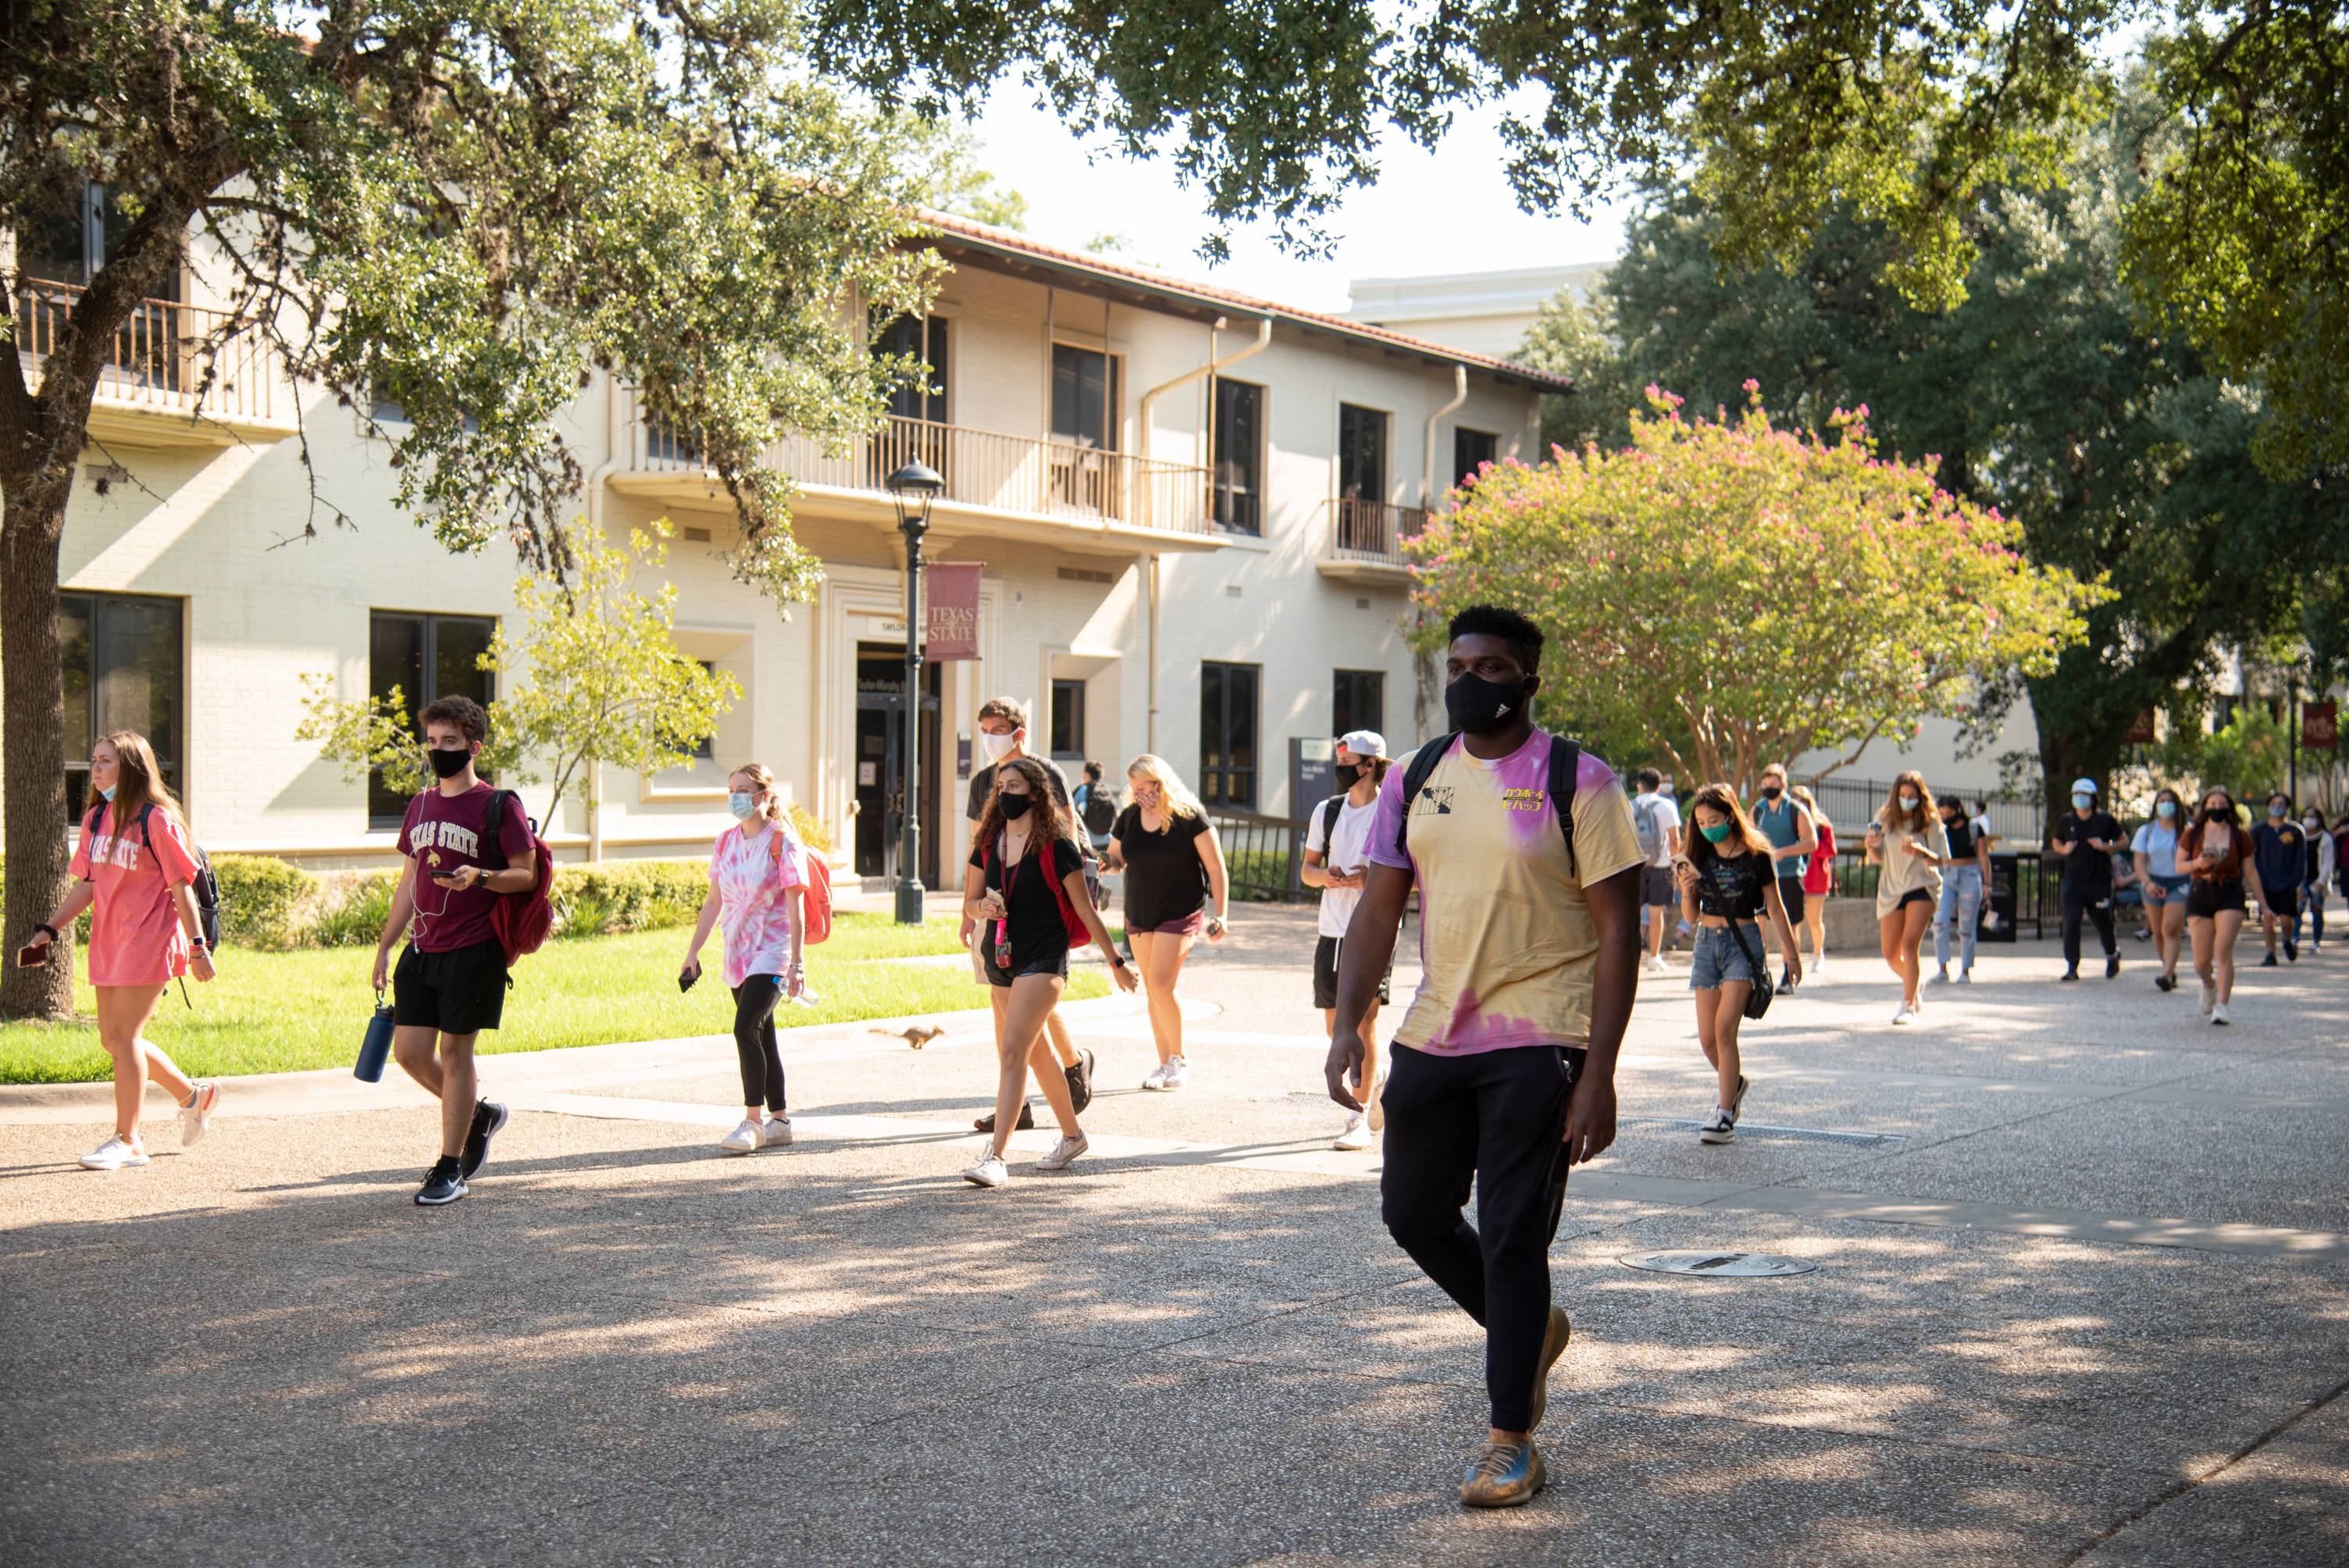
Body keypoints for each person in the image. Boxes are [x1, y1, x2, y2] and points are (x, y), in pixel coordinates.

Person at [1324, 604, 1642, 1509]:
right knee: (1412, 1214)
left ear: (1528, 679)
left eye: (1491, 666)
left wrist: (1600, 1072)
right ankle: (1528, 1327)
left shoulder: (1580, 779)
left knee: (1509, 1233)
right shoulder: (1418, 774)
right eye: (1459, 663)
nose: (1470, 679)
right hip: (1433, 1032)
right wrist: (1349, 1021)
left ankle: (1510, 1438)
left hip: (1539, 1037)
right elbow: (1378, 909)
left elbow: (1617, 932)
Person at [24, 732, 221, 1171]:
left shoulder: (157, 821)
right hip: (109, 941)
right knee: (113, 1039)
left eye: (105, 761)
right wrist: (49, 930)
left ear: (130, 766)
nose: (95, 769)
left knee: (126, 1037)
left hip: (150, 941)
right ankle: (195, 1096)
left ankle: (128, 1139)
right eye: (93, 760)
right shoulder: (96, 818)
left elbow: (181, 889)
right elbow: (88, 885)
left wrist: (197, 947)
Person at [370, 697, 533, 1206]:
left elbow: (524, 874)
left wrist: (480, 876)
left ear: (473, 747)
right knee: (410, 1053)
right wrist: (385, 945)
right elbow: (410, 879)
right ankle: (479, 1115)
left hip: (474, 948)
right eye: (434, 742)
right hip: (422, 948)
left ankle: (449, 1168)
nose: (439, 751)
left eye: (451, 743)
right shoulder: (420, 805)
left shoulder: (498, 805)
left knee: (455, 1051)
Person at [960, 758, 1137, 1186]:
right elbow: (967, 903)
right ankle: (1072, 1135)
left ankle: (996, 1158)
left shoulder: (1057, 847)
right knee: (1036, 1053)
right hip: (1001, 954)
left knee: (1012, 1050)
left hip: (1044, 956)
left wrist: (1116, 963)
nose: (1005, 793)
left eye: (1014, 785)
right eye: (1000, 786)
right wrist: (981, 908)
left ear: (1034, 793)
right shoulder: (988, 842)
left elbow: (1085, 910)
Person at [962, 697, 1094, 1131]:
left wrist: (1071, 880)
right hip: (995, 905)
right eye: (983, 728)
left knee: (1028, 998)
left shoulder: (1044, 772)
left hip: (1039, 905)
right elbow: (978, 842)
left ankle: (1071, 1066)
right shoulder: (983, 780)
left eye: (996, 728)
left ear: (1018, 731)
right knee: (1002, 1006)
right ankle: (1018, 1105)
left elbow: (1067, 826)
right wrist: (969, 909)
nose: (988, 737)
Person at [682, 764, 806, 1155]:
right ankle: (780, 1121)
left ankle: (753, 1122)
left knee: (745, 1028)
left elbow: (795, 906)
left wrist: (797, 963)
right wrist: (693, 952)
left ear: (765, 796)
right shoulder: (725, 842)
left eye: (744, 790)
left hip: (773, 953)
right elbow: (714, 901)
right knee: (762, 1034)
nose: (736, 796)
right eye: (731, 788)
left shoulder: (783, 842)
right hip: (737, 951)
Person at [1675, 784, 1800, 1145]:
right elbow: (1690, 916)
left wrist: (1791, 956)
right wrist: (1686, 888)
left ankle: (1724, 1114)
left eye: (1713, 819)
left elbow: (1775, 908)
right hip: (1706, 946)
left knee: (1724, 1029)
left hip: (1742, 944)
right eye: (1700, 821)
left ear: (1730, 816)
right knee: (1706, 1038)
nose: (1707, 826)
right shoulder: (1696, 855)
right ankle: (1735, 1084)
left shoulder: (1757, 855)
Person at [1104, 754, 1231, 1089]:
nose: (1138, 794)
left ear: (1160, 783)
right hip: (1139, 911)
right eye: (1134, 788)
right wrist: (1105, 863)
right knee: (1152, 990)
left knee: (1161, 985)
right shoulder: (1129, 817)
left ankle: (1179, 1058)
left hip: (1180, 910)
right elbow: (1117, 858)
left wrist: (1222, 914)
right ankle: (1163, 1064)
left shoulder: (1190, 817)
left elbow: (1216, 868)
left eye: (1144, 787)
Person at [1303, 730, 1393, 1150]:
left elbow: (1412, 878)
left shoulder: (1391, 810)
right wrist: (1328, 877)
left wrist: (1370, 879)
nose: (1340, 766)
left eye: (1347, 759)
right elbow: (1307, 870)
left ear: (1370, 764)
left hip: (1374, 931)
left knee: (1364, 1023)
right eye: (1337, 758)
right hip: (1331, 931)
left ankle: (1355, 1117)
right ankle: (1376, 1076)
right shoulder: (1328, 810)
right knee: (1335, 1028)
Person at [1864, 771, 1947, 1025]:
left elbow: (1942, 858)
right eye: (1903, 795)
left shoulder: (1930, 820)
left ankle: (1908, 1004)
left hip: (1922, 886)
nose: (1907, 800)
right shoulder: (1885, 817)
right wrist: (1870, 844)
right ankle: (1914, 981)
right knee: (1891, 954)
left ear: (1920, 796)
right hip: (1891, 888)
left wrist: (1920, 850)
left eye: (1912, 796)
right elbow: (1877, 858)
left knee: (1910, 947)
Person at [2182, 789, 2259, 1025]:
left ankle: (2223, 1006)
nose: (2216, 807)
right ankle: (2209, 985)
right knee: (2200, 962)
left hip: (2230, 892)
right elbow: (2179, 866)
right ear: (2205, 807)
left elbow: (2250, 871)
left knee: (2223, 949)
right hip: (2200, 892)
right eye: (2212, 803)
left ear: (2229, 807)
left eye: (2221, 803)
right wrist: (2197, 863)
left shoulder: (2240, 836)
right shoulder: (2192, 834)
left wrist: (2264, 904)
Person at [1748, 764, 1816, 991]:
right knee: (1758, 926)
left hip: (1788, 874)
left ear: (1783, 784)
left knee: (1789, 926)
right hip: (1761, 876)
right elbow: (1748, 837)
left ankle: (1788, 974)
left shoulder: (1795, 809)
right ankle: (1758, 972)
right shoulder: (1758, 810)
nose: (1768, 787)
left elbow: (1811, 842)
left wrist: (1783, 852)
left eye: (1773, 784)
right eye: (1765, 784)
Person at [2050, 777, 2124, 982]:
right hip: (2073, 880)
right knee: (2071, 921)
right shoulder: (2066, 821)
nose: (2079, 799)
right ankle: (2072, 966)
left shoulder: (2105, 820)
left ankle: (2111, 954)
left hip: (2098, 880)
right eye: (2076, 795)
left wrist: (2106, 847)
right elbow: (2056, 841)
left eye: (2083, 795)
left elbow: (2123, 841)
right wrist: (2063, 849)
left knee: (2102, 920)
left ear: (2092, 798)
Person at [1929, 793, 1992, 985]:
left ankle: (1965, 970)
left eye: (1948, 812)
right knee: (1939, 921)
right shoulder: (1941, 829)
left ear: (1957, 810)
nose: (1945, 816)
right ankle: (1942, 968)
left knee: (1966, 924)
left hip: (1969, 875)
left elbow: (1983, 856)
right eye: (1942, 812)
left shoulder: (1973, 827)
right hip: (1948, 874)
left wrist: (1987, 883)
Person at [2133, 787, 2190, 991]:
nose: (2165, 805)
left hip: (2180, 882)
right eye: (2161, 801)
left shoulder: (2187, 831)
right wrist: (2148, 883)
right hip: (2153, 881)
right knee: (2157, 932)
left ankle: (2166, 974)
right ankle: (2169, 968)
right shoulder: (2146, 831)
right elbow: (2139, 862)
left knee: (2170, 929)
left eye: (2170, 801)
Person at [1629, 768, 1684, 974]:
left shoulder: (1630, 805)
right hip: (1660, 865)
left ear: (1640, 785)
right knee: (1656, 912)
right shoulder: (1667, 805)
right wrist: (1675, 866)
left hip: (1635, 866)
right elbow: (1675, 840)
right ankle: (1654, 957)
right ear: (1659, 786)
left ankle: (1630, 957)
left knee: (1632, 913)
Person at [2250, 793, 2307, 966]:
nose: (2277, 806)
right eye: (2274, 803)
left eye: (2281, 803)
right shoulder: (2258, 830)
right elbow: (2251, 857)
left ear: (2287, 807)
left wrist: (2297, 883)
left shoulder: (2295, 831)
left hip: (2287, 882)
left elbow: (2301, 859)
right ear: (2268, 806)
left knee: (2286, 920)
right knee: (2268, 919)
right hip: (2265, 883)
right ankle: (2270, 954)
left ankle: (2287, 940)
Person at [1789, 784, 1835, 972]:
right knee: (1793, 921)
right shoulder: (1787, 825)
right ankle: (1793, 958)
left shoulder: (1821, 825)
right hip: (1793, 877)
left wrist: (1810, 846)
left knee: (1814, 920)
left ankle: (1818, 953)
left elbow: (1831, 850)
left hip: (1815, 879)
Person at [2297, 805, 2334, 953]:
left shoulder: (2325, 838)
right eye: (2306, 816)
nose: (2308, 820)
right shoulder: (2299, 836)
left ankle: (2316, 942)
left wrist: (2321, 881)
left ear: (2319, 819)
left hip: (2317, 880)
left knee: (2316, 910)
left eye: (2312, 817)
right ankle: (2294, 939)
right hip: (2301, 880)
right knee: (2298, 909)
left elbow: (2328, 862)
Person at [1072, 760, 1118, 853]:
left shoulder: (1082, 790)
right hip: (1108, 840)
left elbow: (1072, 814)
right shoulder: (1107, 791)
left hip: (1088, 842)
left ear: (1086, 774)